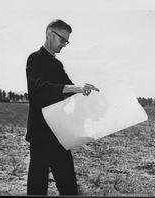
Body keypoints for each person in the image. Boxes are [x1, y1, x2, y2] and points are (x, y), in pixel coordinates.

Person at [25, 19, 99, 195]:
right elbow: (38, 88)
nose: (65, 44)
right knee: (37, 188)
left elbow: (70, 89)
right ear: (50, 34)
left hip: (60, 134)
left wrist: (84, 90)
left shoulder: (57, 65)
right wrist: (74, 88)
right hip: (40, 135)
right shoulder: (34, 59)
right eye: (62, 40)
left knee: (69, 187)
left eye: (67, 41)